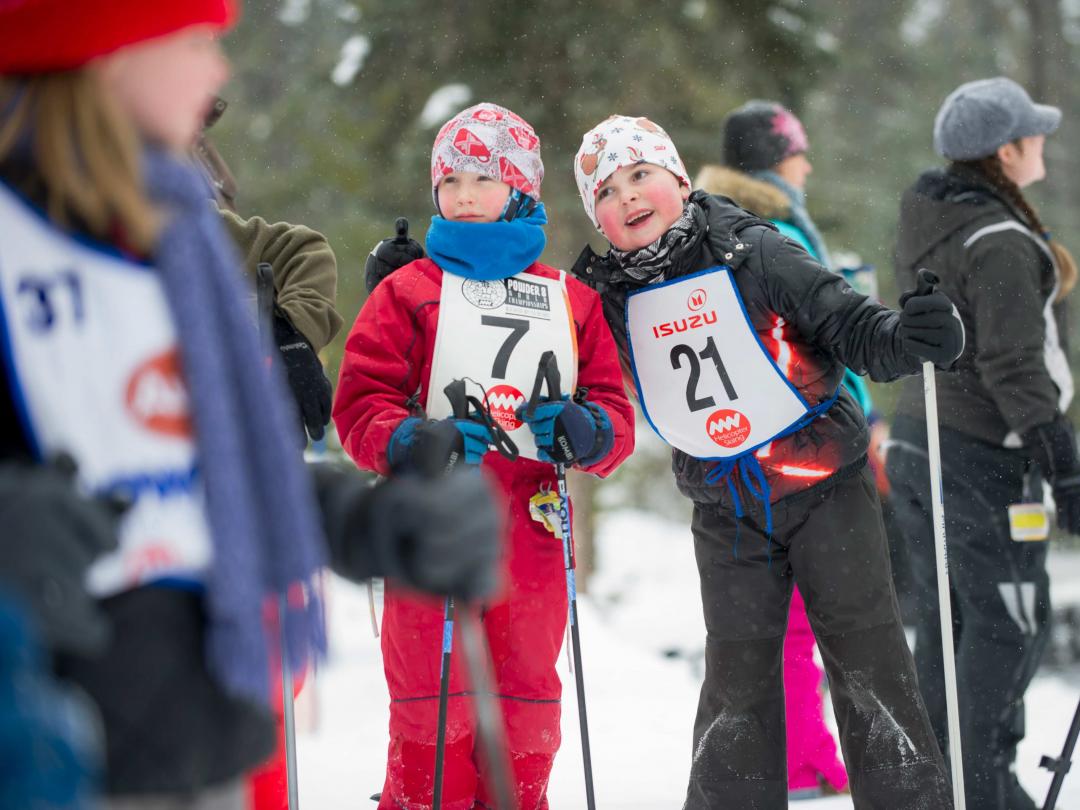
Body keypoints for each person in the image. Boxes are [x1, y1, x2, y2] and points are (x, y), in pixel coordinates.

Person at [0, 3, 501, 807]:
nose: (218, 69)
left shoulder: (174, 234)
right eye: (196, 39)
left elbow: (205, 468)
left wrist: (366, 522)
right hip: (49, 746)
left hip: (199, 729)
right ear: (105, 53)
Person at [570, 115, 961, 808]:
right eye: (605, 191)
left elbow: (851, 325)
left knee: (867, 661)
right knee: (736, 682)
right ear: (596, 218)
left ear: (679, 180)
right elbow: (539, 339)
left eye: (640, 176)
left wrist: (914, 336)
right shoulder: (602, 296)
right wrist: (410, 278)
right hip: (726, 504)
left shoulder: (752, 248)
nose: (626, 197)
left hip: (824, 486)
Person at [333, 101, 635, 810]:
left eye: (482, 179)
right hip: (430, 527)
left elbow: (613, 411)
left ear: (521, 188)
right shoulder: (406, 294)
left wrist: (586, 431)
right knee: (432, 705)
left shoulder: (573, 300)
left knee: (526, 698)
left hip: (528, 534)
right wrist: (409, 439)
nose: (463, 196)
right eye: (450, 183)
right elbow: (361, 403)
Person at [886, 76, 1079, 810]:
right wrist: (1062, 461)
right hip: (980, 454)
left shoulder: (934, 216)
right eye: (1035, 136)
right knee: (1007, 622)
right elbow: (1012, 363)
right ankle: (982, 786)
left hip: (924, 441)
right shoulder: (997, 237)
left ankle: (951, 785)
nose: (1043, 147)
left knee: (953, 622)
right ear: (1008, 150)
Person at [696, 99, 853, 799]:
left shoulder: (708, 230)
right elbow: (823, 342)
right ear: (774, 161)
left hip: (738, 448)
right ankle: (804, 758)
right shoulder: (776, 230)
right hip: (797, 444)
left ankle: (793, 754)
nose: (808, 164)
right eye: (798, 152)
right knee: (798, 623)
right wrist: (858, 424)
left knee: (766, 625)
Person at [194, 103, 341, 445]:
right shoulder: (128, 169)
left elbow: (302, 252)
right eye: (197, 50)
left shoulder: (191, 146)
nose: (217, 70)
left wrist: (288, 333)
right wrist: (258, 323)